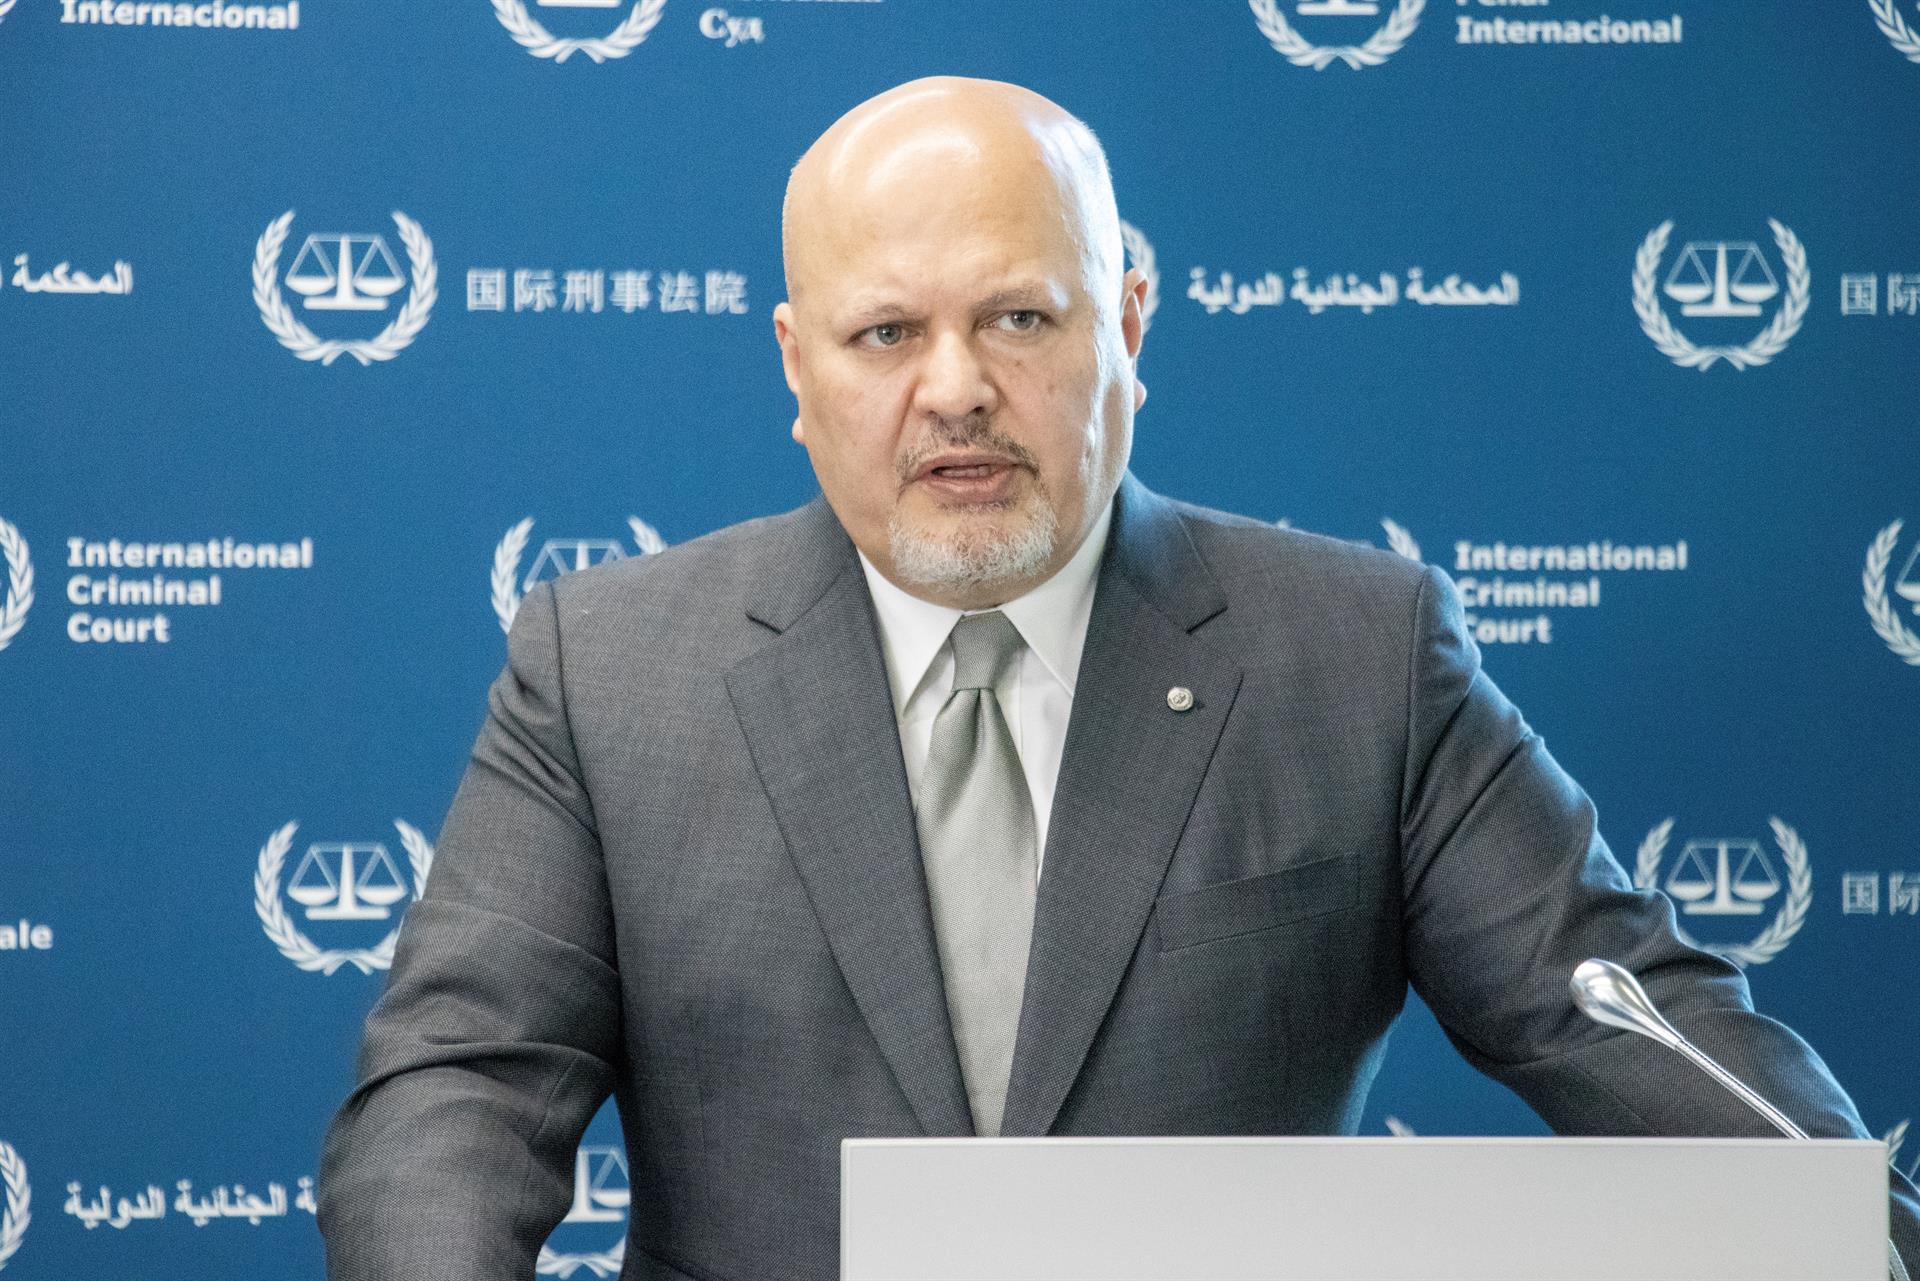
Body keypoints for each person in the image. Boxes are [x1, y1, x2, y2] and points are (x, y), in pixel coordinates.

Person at [318, 77, 1919, 1280]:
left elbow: (1624, 1016)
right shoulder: (606, 670)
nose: (956, 389)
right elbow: (453, 1100)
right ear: (798, 367)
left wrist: (1862, 1237)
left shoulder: (1357, 656)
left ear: (1129, 323)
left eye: (1019, 316)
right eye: (887, 335)